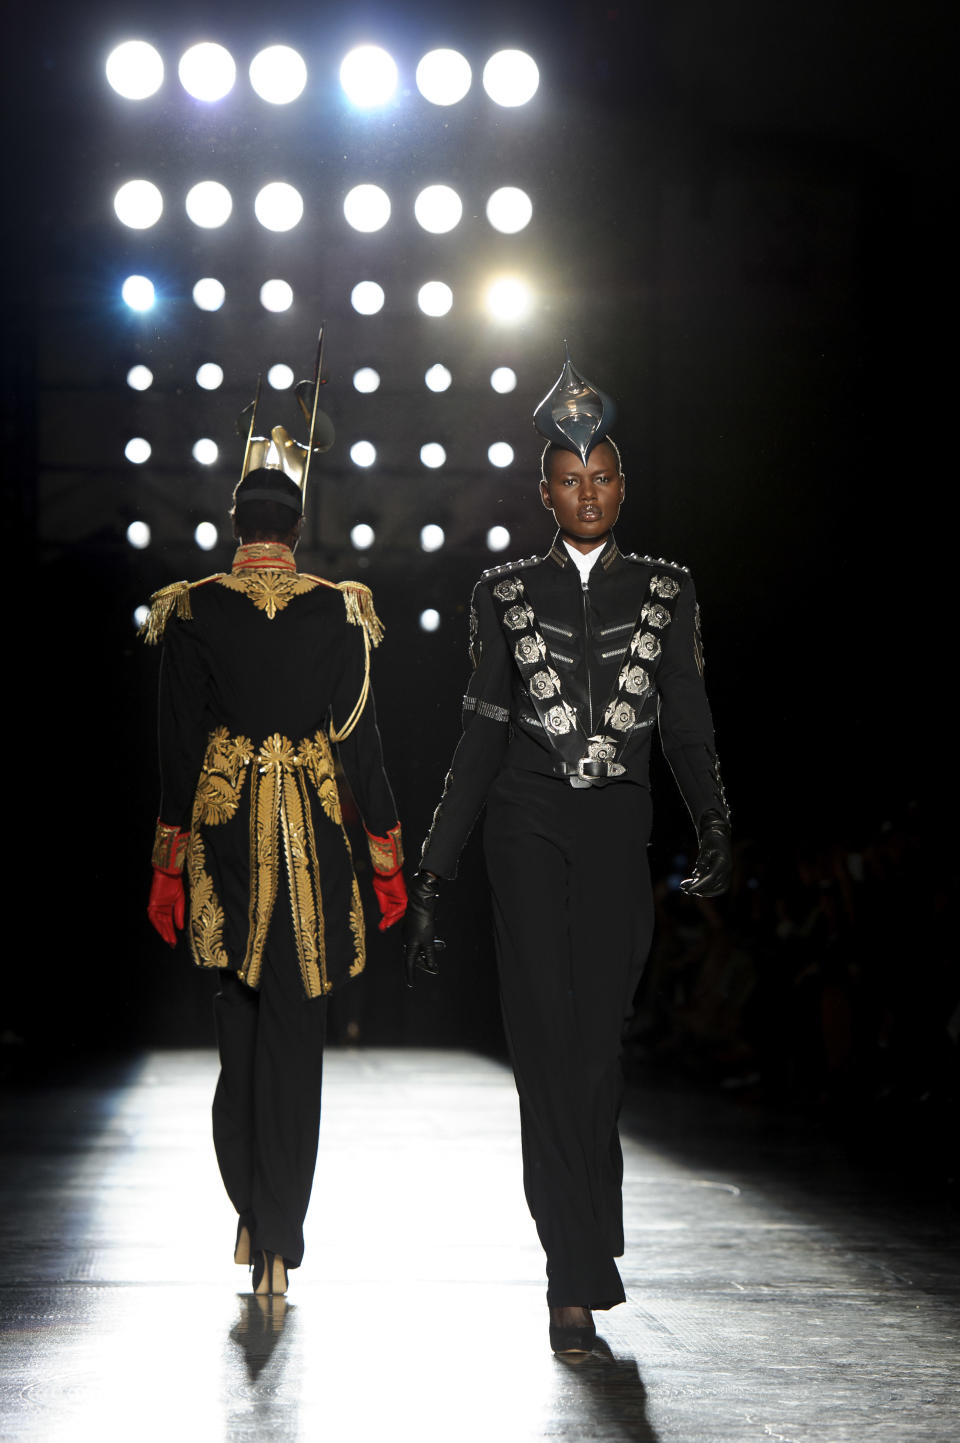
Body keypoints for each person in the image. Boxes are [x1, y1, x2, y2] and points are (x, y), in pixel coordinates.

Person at [403, 349, 731, 1353]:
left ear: (619, 487)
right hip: (523, 829)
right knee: (547, 1051)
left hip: (616, 831)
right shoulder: (502, 592)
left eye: (601, 478)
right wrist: (435, 866)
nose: (586, 493)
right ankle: (572, 1276)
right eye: (568, 479)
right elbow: (479, 734)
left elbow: (685, 725)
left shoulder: (668, 592)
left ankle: (588, 1241)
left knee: (596, 1054)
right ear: (545, 492)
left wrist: (715, 819)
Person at [142, 382, 406, 1296]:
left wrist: (168, 863)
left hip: (221, 838)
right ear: (296, 525)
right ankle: (282, 1239)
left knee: (239, 1033)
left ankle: (252, 1213)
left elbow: (179, 748)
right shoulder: (340, 607)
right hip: (313, 847)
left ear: (234, 521)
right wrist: (384, 854)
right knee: (299, 1037)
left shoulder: (191, 607)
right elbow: (360, 742)